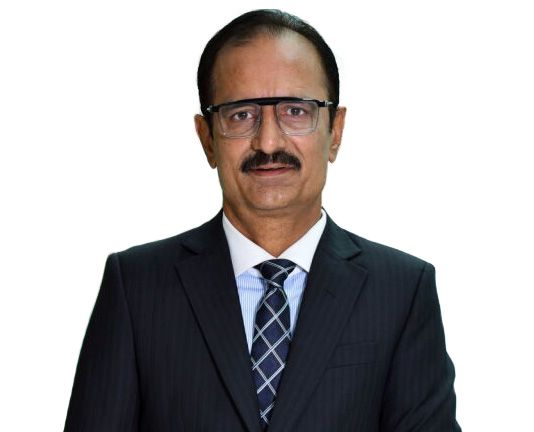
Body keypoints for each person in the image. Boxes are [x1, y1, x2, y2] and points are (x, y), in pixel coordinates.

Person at [64, 9, 461, 431]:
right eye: (241, 114)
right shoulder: (136, 287)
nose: (268, 141)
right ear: (207, 138)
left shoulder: (401, 291)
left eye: (295, 111)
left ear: (336, 131)